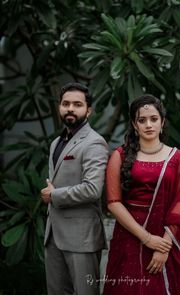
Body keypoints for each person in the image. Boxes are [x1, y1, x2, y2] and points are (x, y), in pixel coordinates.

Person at [103, 95, 180, 295]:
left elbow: (179, 205)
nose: (148, 124)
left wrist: (163, 247)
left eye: (153, 119)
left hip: (166, 237)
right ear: (134, 125)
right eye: (142, 120)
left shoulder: (178, 158)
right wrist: (146, 238)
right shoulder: (119, 156)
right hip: (129, 235)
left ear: (162, 122)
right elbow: (113, 202)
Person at [41, 82, 109, 295]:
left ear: (88, 110)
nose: (70, 108)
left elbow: (92, 189)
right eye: (65, 103)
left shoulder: (94, 143)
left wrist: (54, 195)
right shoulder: (56, 143)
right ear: (59, 107)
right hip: (53, 235)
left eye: (77, 104)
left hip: (82, 238)